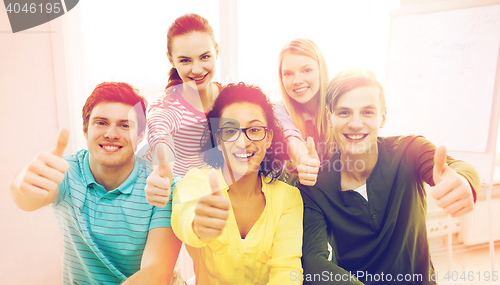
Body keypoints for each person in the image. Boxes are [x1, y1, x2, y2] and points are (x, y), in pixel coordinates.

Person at [299, 69, 480, 284]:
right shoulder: (315, 185)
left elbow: (456, 167)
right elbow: (313, 262)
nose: (356, 123)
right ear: (330, 118)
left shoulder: (410, 150)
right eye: (344, 112)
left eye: (367, 112)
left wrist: (466, 181)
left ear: (383, 116)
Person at [10, 82, 182, 284]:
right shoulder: (66, 171)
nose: (111, 133)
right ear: (85, 129)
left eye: (125, 125)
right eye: (101, 123)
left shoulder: (160, 184)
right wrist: (22, 183)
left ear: (140, 135)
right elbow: (26, 199)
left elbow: (156, 272)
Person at [170, 83, 303, 284]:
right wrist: (197, 224)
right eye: (230, 131)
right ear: (218, 139)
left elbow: (287, 274)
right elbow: (183, 214)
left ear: (268, 138)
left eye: (255, 129)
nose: (243, 142)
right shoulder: (196, 182)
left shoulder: (288, 198)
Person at [145, 13, 223, 194]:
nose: (197, 69)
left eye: (204, 57)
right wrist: (162, 165)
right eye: (185, 60)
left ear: (216, 52)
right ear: (171, 60)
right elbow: (160, 133)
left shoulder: (230, 99)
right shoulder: (166, 106)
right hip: (178, 202)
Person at [275, 38, 332, 186]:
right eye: (288, 74)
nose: (297, 80)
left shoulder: (337, 106)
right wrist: (302, 159)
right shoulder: (278, 110)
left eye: (307, 70)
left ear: (321, 70)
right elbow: (290, 136)